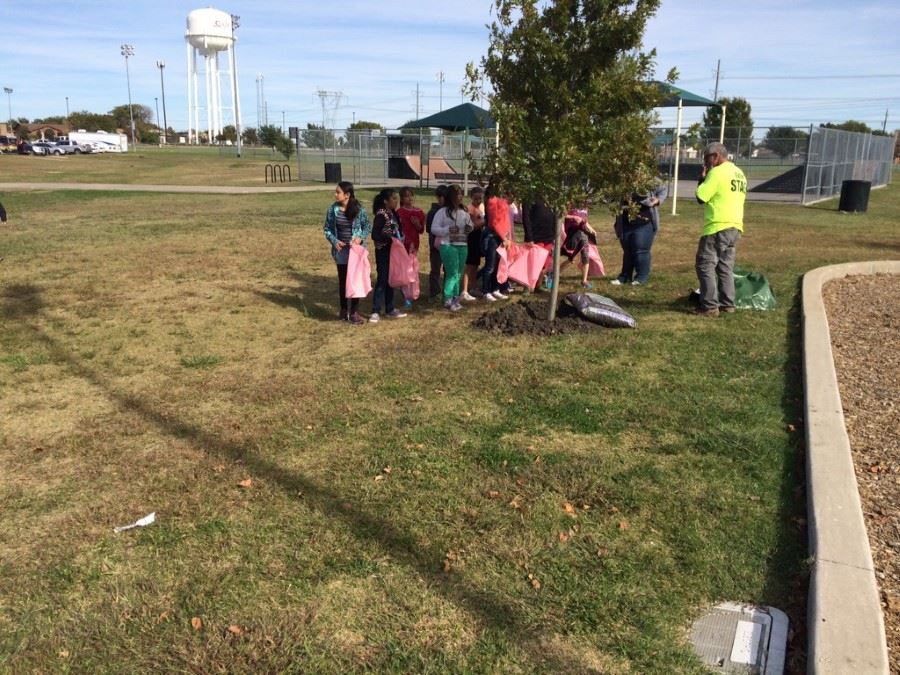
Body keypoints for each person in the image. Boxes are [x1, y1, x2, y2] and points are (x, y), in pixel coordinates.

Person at [694, 142, 747, 317]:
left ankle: (709, 306)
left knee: (705, 265)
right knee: (725, 267)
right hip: (735, 227)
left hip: (717, 225)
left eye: (706, 158)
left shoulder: (717, 172)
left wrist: (703, 178)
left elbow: (702, 197)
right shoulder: (739, 173)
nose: (705, 162)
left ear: (716, 156)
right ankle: (727, 304)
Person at [323, 181, 369, 325]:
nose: (335, 194)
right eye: (335, 192)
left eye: (338, 192)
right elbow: (327, 229)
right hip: (341, 252)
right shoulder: (333, 210)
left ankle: (354, 312)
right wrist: (335, 241)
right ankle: (343, 310)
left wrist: (359, 238)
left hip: (355, 252)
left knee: (355, 281)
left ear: (347, 195)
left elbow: (367, 226)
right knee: (343, 281)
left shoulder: (359, 210)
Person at [611, 180, 668, 286]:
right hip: (625, 221)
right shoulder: (621, 178)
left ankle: (641, 277)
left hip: (644, 221)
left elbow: (663, 189)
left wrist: (658, 200)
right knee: (627, 250)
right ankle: (625, 276)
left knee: (640, 250)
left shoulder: (648, 178)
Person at [430, 184, 474, 311]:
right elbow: (434, 229)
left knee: (458, 273)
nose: (460, 196)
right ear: (450, 196)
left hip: (462, 245)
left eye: (461, 194)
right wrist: (447, 230)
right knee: (452, 273)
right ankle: (448, 299)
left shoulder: (464, 212)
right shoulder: (442, 212)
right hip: (448, 245)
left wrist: (468, 228)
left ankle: (455, 298)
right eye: (457, 194)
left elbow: (470, 225)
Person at [369, 188, 408, 323]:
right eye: (393, 199)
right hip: (383, 252)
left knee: (391, 279)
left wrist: (400, 237)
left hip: (394, 252)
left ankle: (390, 308)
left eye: (397, 198)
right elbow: (375, 234)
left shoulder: (394, 214)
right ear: (386, 201)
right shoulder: (381, 215)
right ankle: (375, 310)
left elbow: (398, 229)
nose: (396, 201)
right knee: (382, 280)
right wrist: (388, 238)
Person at [480, 188, 512, 301]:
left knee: (499, 265)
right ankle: (485, 291)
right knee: (490, 266)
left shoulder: (503, 200)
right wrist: (504, 237)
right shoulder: (492, 200)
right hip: (493, 237)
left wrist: (509, 237)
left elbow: (506, 221)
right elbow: (494, 222)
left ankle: (495, 289)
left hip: (503, 238)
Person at [396, 186, 426, 308]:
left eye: (411, 195)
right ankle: (405, 295)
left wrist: (417, 224)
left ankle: (412, 293)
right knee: (405, 270)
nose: (409, 198)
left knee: (413, 269)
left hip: (414, 245)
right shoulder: (400, 212)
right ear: (402, 198)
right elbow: (398, 229)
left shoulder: (419, 212)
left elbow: (421, 230)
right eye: (406, 196)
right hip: (403, 245)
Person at [522, 200, 558, 290]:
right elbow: (526, 217)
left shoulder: (550, 198)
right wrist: (529, 237)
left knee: (545, 264)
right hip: (536, 236)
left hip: (549, 237)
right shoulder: (529, 197)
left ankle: (539, 284)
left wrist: (554, 234)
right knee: (533, 263)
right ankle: (527, 287)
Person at [560, 206, 598, 288]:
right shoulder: (570, 203)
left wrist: (592, 229)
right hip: (573, 234)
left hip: (583, 234)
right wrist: (574, 217)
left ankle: (584, 281)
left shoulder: (585, 207)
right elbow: (562, 215)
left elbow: (585, 221)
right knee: (571, 259)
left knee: (586, 256)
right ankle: (553, 275)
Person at [460, 186, 485, 301]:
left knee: (475, 264)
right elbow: (471, 227)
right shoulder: (469, 209)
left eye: (480, 198)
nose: (478, 201)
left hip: (479, 237)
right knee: (469, 265)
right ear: (471, 198)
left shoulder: (481, 207)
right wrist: (483, 223)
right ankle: (464, 290)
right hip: (471, 237)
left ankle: (473, 287)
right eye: (476, 199)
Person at [425, 185, 448, 300]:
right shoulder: (433, 212)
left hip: (448, 245)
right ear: (438, 197)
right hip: (436, 246)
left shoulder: (450, 210)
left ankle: (447, 291)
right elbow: (429, 229)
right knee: (435, 269)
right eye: (443, 197)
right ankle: (434, 293)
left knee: (448, 269)